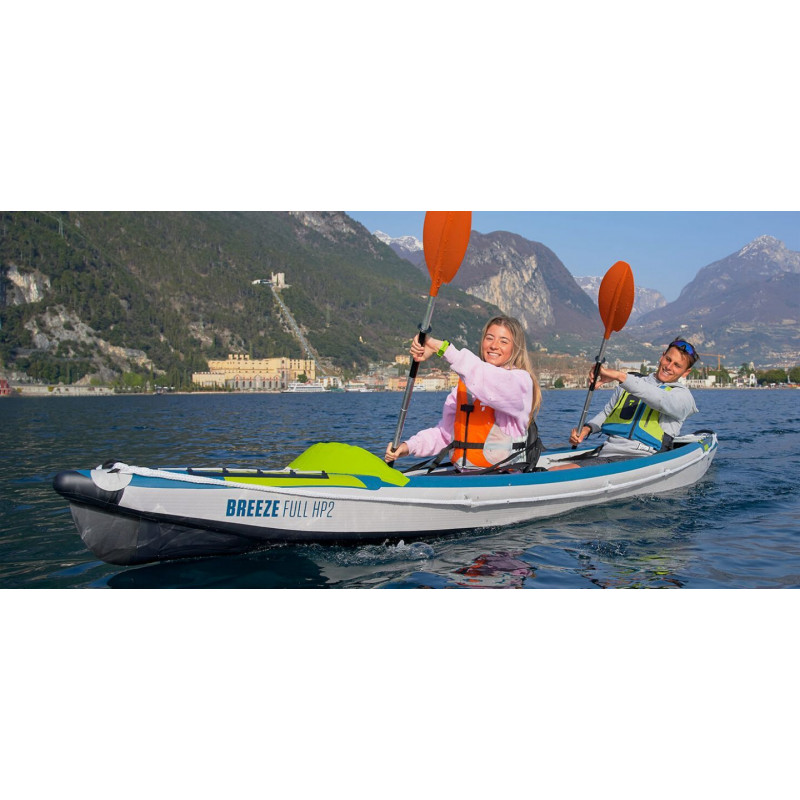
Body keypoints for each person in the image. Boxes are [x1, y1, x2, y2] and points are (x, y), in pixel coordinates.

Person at [384, 315, 542, 470]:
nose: (494, 345)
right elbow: (444, 434)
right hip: (464, 474)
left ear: (515, 348)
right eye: (489, 338)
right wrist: (408, 447)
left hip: (504, 476)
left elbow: (493, 382)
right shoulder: (466, 386)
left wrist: (440, 348)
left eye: (503, 341)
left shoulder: (520, 382)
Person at [551, 338, 699, 470]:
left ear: (686, 372)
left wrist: (619, 376)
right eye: (668, 359)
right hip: (607, 453)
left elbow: (660, 399)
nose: (669, 367)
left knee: (556, 471)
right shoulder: (631, 381)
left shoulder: (683, 397)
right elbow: (607, 413)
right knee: (549, 467)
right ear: (662, 356)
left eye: (677, 365)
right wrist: (586, 429)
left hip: (643, 458)